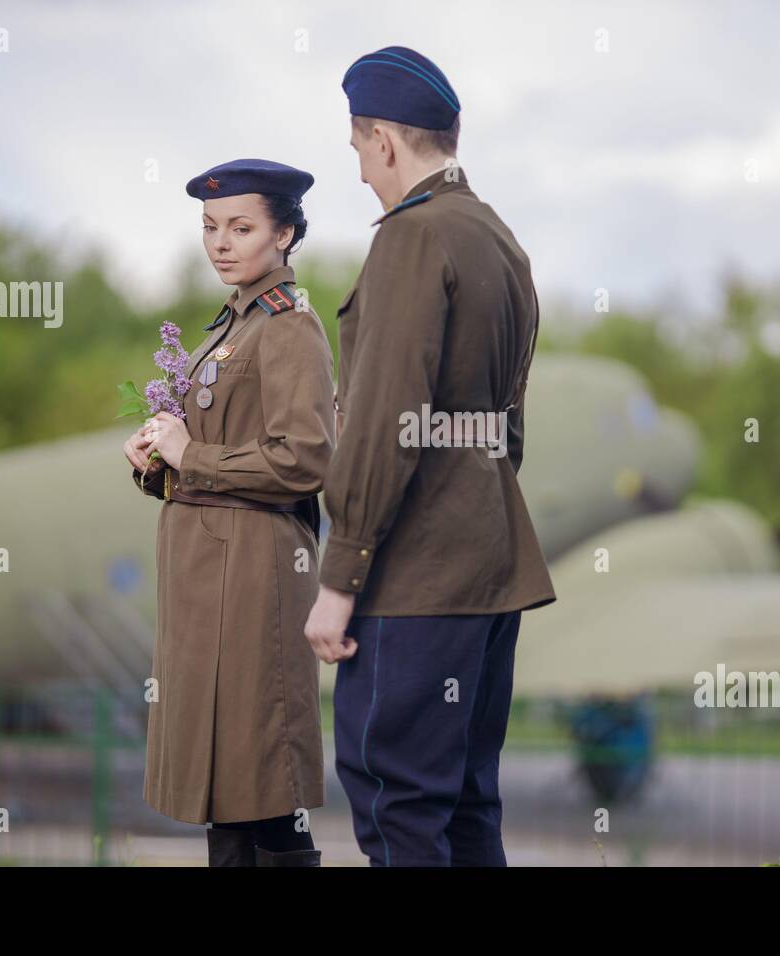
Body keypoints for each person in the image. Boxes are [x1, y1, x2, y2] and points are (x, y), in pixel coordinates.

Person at [303, 46, 556, 866]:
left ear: (383, 141)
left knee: (397, 802)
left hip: (416, 581)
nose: (363, 174)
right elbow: (504, 429)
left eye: (358, 152)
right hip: (491, 566)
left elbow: (382, 425)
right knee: (466, 806)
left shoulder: (414, 238)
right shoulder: (499, 238)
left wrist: (340, 581)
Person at [124, 158, 335, 867]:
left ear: (286, 233)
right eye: (211, 227)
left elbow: (306, 459)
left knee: (262, 795)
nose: (221, 242)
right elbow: (213, 453)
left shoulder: (287, 326)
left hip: (250, 580)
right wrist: (157, 463)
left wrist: (192, 456)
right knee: (227, 802)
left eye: (241, 227)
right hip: (208, 581)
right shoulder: (230, 326)